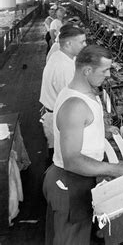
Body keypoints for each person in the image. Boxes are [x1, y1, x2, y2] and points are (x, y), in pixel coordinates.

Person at [43, 45, 123, 245]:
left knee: (81, 234)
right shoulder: (75, 106)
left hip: (81, 180)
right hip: (69, 183)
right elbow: (72, 160)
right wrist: (115, 169)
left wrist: (102, 131)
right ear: (87, 71)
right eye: (104, 71)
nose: (109, 75)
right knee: (71, 240)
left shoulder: (83, 93)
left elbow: (82, 129)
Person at [40, 26, 87, 159]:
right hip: (59, 118)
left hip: (54, 113)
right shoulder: (63, 67)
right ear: (68, 44)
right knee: (62, 158)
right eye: (82, 42)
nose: (85, 45)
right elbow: (72, 102)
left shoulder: (60, 56)